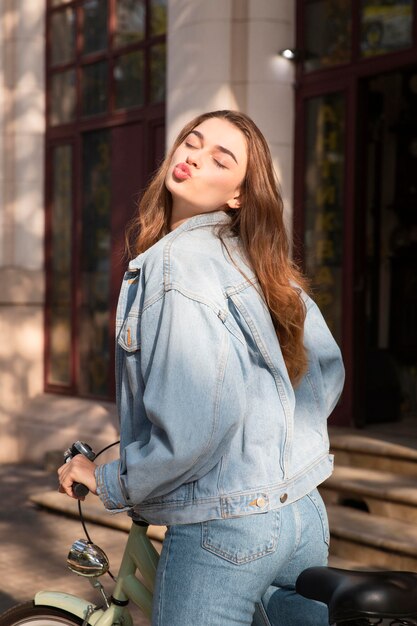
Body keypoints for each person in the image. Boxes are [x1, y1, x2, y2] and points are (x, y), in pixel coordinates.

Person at [58, 110, 345, 626]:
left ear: (238, 195)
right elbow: (325, 374)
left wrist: (109, 481)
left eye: (221, 157)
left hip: (225, 527)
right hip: (301, 514)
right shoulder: (262, 264)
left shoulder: (175, 263)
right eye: (192, 141)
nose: (193, 155)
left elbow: (193, 428)